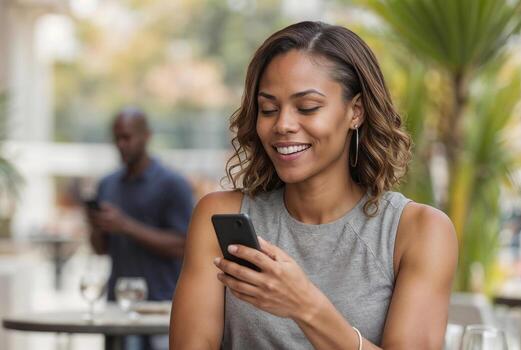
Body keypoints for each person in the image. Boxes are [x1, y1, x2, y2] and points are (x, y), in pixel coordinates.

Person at [169, 21, 457, 350]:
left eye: (307, 107)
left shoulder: (418, 231)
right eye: (269, 109)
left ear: (356, 112)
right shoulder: (219, 214)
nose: (283, 125)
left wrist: (306, 306)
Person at [87, 107, 194, 349]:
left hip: (160, 307)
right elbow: (100, 249)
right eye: (116, 138)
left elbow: (184, 245)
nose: (120, 144)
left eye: (126, 137)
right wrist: (96, 226)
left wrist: (125, 225)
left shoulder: (172, 184)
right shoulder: (107, 184)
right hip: (116, 307)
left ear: (146, 136)